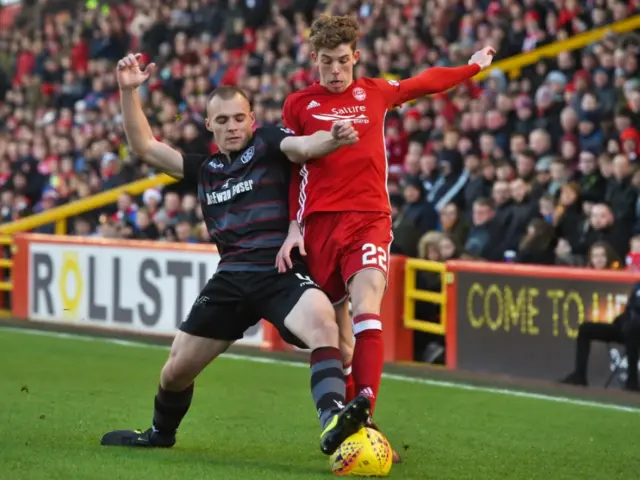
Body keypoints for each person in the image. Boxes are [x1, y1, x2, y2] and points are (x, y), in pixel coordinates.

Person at [100, 53, 371, 455]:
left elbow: (304, 145)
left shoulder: (269, 144)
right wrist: (127, 90)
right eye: (222, 120)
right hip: (230, 280)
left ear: (251, 119)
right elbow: (145, 146)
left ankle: (332, 418)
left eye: (239, 118)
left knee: (322, 322)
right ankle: (160, 433)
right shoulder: (204, 168)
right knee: (175, 372)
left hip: (278, 271)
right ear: (209, 125)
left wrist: (333, 137)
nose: (232, 127)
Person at [275, 14, 496, 460]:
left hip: (369, 218)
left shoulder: (374, 91)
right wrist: (292, 228)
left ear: (355, 57)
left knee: (367, 308)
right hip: (318, 225)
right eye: (326, 63)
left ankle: (367, 411)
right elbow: (292, 167)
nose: (336, 72)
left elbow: (425, 82)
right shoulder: (298, 104)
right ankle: (354, 417)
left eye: (343, 61)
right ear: (313, 60)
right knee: (337, 338)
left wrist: (471, 67)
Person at [560, 281, 640, 391]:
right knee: (585, 329)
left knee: (634, 331)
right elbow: (630, 310)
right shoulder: (638, 286)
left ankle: (632, 382)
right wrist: (622, 320)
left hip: (635, 332)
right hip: (627, 328)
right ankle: (579, 375)